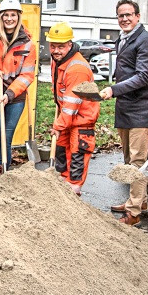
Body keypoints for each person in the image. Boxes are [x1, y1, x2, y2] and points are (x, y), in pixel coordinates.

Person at [100, 0, 148, 226]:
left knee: (138, 163)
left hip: (143, 110)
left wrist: (114, 89)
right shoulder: (124, 39)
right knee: (129, 160)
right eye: (120, 16)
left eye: (129, 14)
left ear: (137, 16)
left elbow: (144, 76)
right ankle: (138, 200)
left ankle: (134, 212)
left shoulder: (146, 41)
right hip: (126, 109)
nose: (124, 19)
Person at [0, 0, 37, 176]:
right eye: (6, 15)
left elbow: (27, 75)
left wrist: (10, 93)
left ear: (18, 17)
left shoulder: (28, 44)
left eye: (13, 15)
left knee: (8, 133)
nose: (9, 18)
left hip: (15, 95)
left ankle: (6, 168)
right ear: (1, 17)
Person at [45, 22, 100, 194]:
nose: (56, 50)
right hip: (66, 117)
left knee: (77, 160)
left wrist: (58, 126)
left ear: (70, 44)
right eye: (53, 46)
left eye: (61, 46)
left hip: (81, 119)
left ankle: (74, 197)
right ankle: (62, 196)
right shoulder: (58, 60)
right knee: (61, 156)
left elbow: (71, 104)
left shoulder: (77, 68)